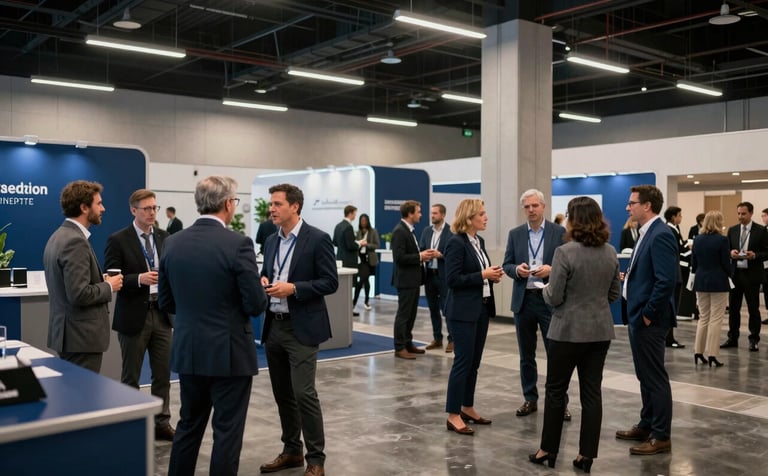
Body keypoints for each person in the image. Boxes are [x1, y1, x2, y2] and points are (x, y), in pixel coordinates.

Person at [159, 176, 267, 476]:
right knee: (227, 433)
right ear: (228, 204)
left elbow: (166, 302)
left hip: (189, 350)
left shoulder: (172, 242)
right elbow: (256, 304)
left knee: (188, 426)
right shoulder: (238, 244)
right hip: (229, 354)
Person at [529, 196, 620, 473]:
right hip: (599, 332)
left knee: (556, 391)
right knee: (592, 393)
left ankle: (548, 450)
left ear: (572, 219)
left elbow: (554, 297)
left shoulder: (564, 252)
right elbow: (614, 294)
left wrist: (542, 287)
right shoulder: (610, 252)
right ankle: (586, 456)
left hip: (566, 332)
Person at [259, 183, 338, 476]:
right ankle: (291, 451)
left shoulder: (317, 239)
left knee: (304, 393)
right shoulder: (270, 241)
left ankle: (315, 460)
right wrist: (264, 280)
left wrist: (294, 289)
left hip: (302, 328)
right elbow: (268, 270)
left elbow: (330, 282)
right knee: (283, 394)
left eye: (278, 204)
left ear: (295, 206)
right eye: (272, 204)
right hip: (274, 326)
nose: (272, 209)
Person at [104, 189, 174, 441]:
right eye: (146, 208)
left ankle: (161, 422)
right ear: (134, 210)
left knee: (163, 374)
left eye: (154, 208)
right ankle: (131, 422)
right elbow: (110, 277)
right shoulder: (118, 239)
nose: (152, 213)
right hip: (134, 315)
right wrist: (139, 279)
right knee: (131, 375)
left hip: (163, 314)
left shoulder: (166, 237)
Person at [616, 184, 677, 456]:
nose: (628, 207)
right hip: (638, 316)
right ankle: (647, 423)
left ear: (647, 205)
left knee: (654, 377)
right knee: (644, 375)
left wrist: (649, 315)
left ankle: (661, 435)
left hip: (649, 319)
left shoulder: (661, 234)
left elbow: (666, 282)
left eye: (632, 203)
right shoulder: (646, 233)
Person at [43, 180, 123, 373]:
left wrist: (100, 281)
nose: (103, 208)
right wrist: (109, 286)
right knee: (82, 399)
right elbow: (79, 294)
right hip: (81, 339)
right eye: (99, 203)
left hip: (71, 337)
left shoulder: (59, 236)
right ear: (84, 207)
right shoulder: (74, 242)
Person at [502, 189, 569, 419]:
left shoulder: (559, 232)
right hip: (524, 300)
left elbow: (568, 264)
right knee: (526, 355)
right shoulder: (515, 234)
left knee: (556, 354)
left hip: (549, 300)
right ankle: (530, 398)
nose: (530, 210)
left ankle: (560, 402)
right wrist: (517, 271)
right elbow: (506, 264)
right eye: (527, 207)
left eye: (534, 206)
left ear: (543, 207)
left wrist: (552, 270)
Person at [443, 199, 503, 436]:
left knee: (474, 363)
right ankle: (453, 414)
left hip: (481, 308)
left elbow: (478, 275)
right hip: (461, 312)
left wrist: (490, 276)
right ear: (469, 218)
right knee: (462, 362)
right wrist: (482, 274)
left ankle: (467, 407)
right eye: (482, 213)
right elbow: (453, 280)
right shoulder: (455, 243)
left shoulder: (479, 241)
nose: (486, 217)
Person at [391, 200, 437, 359]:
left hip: (413, 280)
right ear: (410, 214)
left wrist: (422, 255)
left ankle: (407, 343)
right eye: (418, 212)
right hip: (405, 280)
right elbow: (399, 258)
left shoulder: (409, 230)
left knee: (411, 314)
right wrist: (420, 256)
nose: (421, 215)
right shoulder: (400, 231)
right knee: (404, 314)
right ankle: (399, 347)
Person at [721, 201, 768, 351]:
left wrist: (755, 255)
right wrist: (730, 253)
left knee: (753, 309)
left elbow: (767, 252)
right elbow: (726, 249)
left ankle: (754, 339)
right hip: (736, 274)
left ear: (751, 213)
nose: (740, 216)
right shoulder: (732, 230)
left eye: (743, 214)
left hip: (752, 275)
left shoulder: (761, 231)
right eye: (739, 213)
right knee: (734, 309)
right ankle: (732, 338)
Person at [691, 211, 731, 367]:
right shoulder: (722, 240)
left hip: (701, 281)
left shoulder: (698, 240)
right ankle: (713, 354)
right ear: (718, 222)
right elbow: (725, 263)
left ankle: (698, 351)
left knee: (703, 317)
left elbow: (694, 264)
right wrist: (730, 274)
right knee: (716, 319)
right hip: (718, 281)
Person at [419, 203, 453, 352]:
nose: (432, 216)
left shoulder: (451, 231)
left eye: (435, 213)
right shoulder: (427, 231)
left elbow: (455, 254)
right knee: (433, 308)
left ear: (443, 215)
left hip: (444, 276)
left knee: (447, 309)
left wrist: (441, 255)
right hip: (430, 276)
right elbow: (420, 248)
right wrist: (424, 255)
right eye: (431, 213)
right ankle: (437, 338)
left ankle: (452, 339)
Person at [333, 204, 365, 317]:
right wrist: (359, 243)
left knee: (341, 286)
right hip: (349, 260)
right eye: (355, 213)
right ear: (351, 213)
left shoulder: (338, 226)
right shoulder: (348, 227)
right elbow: (351, 245)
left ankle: (342, 308)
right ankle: (348, 309)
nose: (355, 216)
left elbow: (335, 242)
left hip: (340, 258)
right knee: (349, 286)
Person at [663, 206, 687, 349]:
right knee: (671, 307)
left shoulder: (674, 229)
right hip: (673, 274)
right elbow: (677, 249)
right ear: (673, 217)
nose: (681, 218)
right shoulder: (670, 230)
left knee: (673, 308)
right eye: (679, 215)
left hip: (676, 272)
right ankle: (668, 338)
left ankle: (669, 337)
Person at [353, 213, 379, 311]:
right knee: (365, 279)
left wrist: (366, 244)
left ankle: (355, 301)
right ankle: (365, 301)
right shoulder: (358, 232)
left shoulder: (373, 231)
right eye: (361, 221)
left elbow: (377, 245)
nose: (363, 222)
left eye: (365, 221)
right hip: (361, 259)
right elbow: (355, 244)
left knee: (363, 280)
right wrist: (359, 244)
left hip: (370, 259)